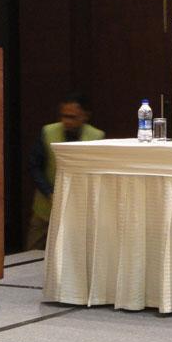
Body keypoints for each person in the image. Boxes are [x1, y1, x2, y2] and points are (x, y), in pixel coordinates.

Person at [27, 93, 105, 250]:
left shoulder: (97, 136)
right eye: (63, 116)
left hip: (79, 209)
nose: (66, 121)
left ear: (85, 116)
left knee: (74, 252)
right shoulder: (48, 132)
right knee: (34, 250)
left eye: (72, 117)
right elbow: (34, 166)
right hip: (46, 206)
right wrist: (49, 192)